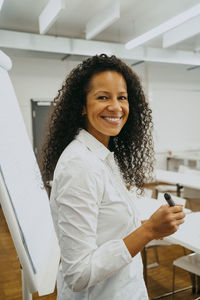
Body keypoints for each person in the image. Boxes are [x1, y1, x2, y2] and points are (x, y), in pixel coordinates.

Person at [40, 54, 185, 300]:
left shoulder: (102, 155)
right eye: (103, 97)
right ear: (83, 106)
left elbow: (108, 233)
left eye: (122, 97)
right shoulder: (80, 165)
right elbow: (78, 274)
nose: (116, 107)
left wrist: (152, 228)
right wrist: (149, 230)